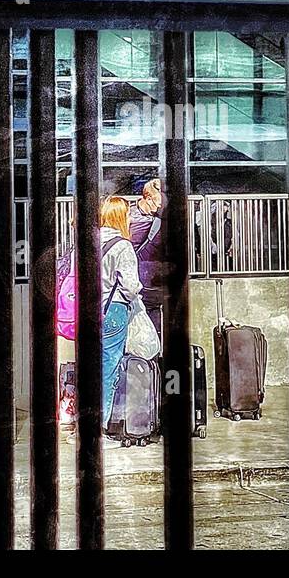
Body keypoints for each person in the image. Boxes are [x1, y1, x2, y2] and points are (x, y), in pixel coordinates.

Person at [100, 195, 151, 428]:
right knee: (109, 368)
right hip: (112, 310)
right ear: (120, 217)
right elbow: (130, 286)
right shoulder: (122, 246)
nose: (131, 218)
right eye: (128, 214)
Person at [128, 179, 166, 338]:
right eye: (159, 201)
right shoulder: (132, 218)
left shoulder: (129, 215)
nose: (161, 206)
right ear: (148, 198)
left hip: (148, 288)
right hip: (136, 286)